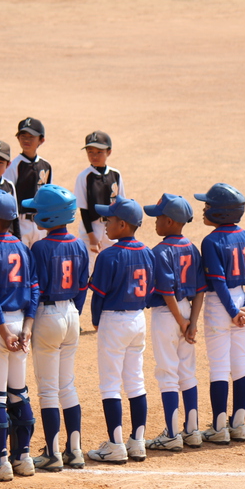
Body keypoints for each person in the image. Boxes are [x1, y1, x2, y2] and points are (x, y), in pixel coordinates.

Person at [0, 188, 39, 480]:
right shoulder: (23, 248)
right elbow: (34, 288)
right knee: (19, 392)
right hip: (21, 325)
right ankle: (23, 458)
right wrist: (26, 328)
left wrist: (2, 331)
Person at [22, 184, 89, 471]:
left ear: (48, 216)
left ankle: (52, 453)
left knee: (48, 390)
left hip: (47, 315)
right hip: (72, 313)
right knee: (67, 386)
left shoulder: (39, 247)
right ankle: (74, 450)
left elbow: (34, 288)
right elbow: (83, 286)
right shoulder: (79, 245)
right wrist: (74, 312)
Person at [86, 196, 154, 464]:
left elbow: (98, 296)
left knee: (111, 385)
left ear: (123, 225)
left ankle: (115, 445)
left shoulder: (109, 255)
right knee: (135, 381)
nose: (104, 224)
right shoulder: (148, 252)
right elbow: (150, 291)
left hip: (114, 320)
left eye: (109, 220)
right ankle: (137, 443)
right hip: (138, 319)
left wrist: (95, 320)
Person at [195, 184, 245, 443]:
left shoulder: (211, 241)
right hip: (242, 300)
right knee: (240, 362)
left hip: (219, 305)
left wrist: (232, 312)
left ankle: (219, 428)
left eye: (208, 205)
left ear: (220, 213)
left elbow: (218, 281)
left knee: (220, 366)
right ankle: (239, 425)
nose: (204, 208)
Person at [143, 193, 206, 451]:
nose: (154, 222)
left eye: (158, 217)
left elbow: (166, 290)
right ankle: (192, 431)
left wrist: (180, 321)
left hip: (167, 315)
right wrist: (192, 322)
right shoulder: (192, 247)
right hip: (188, 310)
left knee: (168, 373)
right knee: (187, 372)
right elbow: (200, 289)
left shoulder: (160, 251)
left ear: (169, 221)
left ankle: (171, 434)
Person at [74, 131, 125, 271]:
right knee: (87, 268)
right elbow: (83, 209)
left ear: (109, 152)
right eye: (90, 152)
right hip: (91, 227)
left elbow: (121, 205)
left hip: (112, 226)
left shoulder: (116, 174)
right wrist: (91, 237)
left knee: (112, 267)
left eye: (99, 152)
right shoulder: (84, 176)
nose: (94, 156)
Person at [4, 117, 52, 247]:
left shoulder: (46, 166)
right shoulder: (14, 165)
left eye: (31, 136)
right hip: (21, 222)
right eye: (23, 136)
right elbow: (8, 198)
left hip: (40, 222)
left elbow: (48, 197)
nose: (26, 140)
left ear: (41, 140)